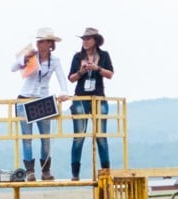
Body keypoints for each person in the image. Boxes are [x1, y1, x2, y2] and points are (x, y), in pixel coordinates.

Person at [12, 27, 70, 181]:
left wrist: (64, 92)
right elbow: (13, 67)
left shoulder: (55, 61)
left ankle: (45, 170)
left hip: (43, 99)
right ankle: (29, 171)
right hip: (25, 98)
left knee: (46, 137)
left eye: (43, 41)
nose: (40, 44)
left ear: (50, 44)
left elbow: (62, 78)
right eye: (39, 41)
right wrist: (24, 59)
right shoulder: (31, 56)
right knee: (27, 137)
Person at [68, 28, 114, 180]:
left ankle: (106, 171)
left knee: (101, 136)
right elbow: (71, 78)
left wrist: (97, 68)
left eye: (88, 39)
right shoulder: (77, 57)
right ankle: (75, 173)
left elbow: (110, 74)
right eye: (83, 39)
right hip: (81, 98)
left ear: (95, 40)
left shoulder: (104, 55)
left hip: (98, 97)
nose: (85, 41)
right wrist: (81, 71)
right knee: (79, 136)